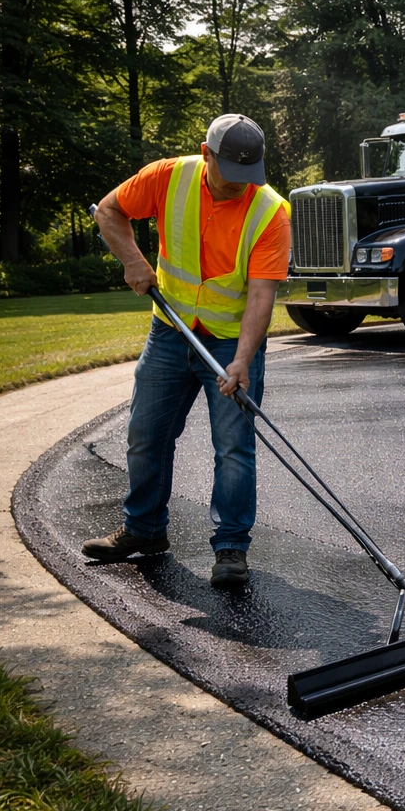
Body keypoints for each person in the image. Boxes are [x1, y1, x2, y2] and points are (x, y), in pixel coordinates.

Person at [82, 115, 291, 589]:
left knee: (233, 448)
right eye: (230, 173)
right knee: (146, 434)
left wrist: (242, 360)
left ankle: (231, 547)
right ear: (206, 154)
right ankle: (144, 530)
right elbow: (109, 211)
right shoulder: (167, 177)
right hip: (170, 330)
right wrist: (133, 261)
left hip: (231, 341)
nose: (239, 184)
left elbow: (262, 295)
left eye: (248, 175)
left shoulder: (270, 212)